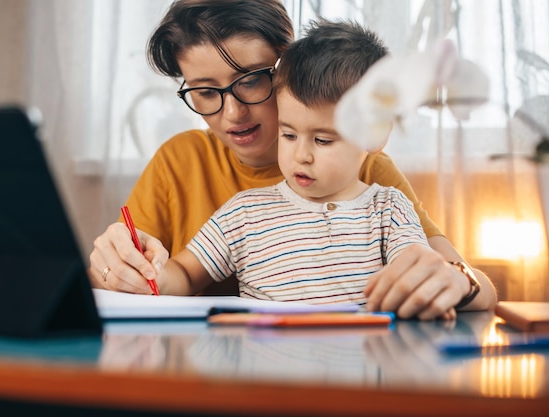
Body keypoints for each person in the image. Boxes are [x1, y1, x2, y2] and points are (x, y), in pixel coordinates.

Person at [89, 0, 497, 320]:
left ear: (287, 66)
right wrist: (119, 268)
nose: (232, 113)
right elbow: (151, 279)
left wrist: (454, 280)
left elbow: (466, 280)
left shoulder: (369, 175)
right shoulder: (183, 163)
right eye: (205, 92)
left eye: (250, 80)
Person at [131, 18, 434, 307]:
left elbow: (425, 275)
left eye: (323, 140)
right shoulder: (244, 212)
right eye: (287, 135)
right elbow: (184, 273)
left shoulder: (389, 208)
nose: (301, 155)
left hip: (363, 355)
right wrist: (151, 273)